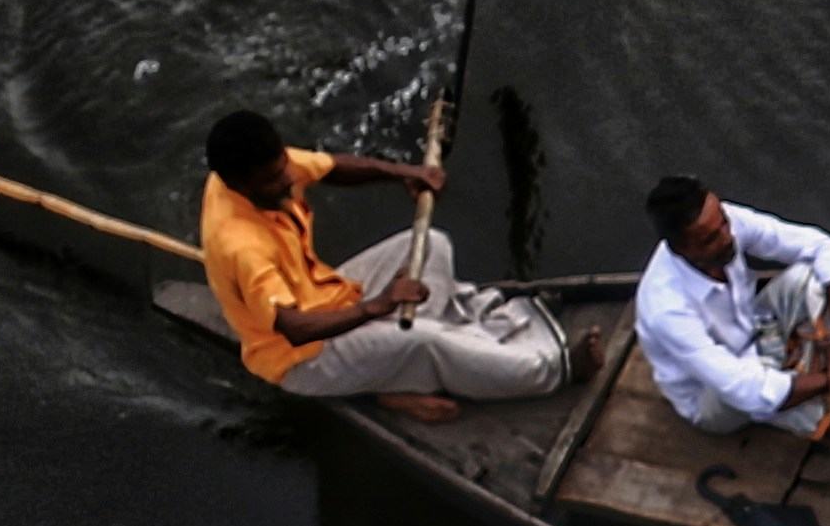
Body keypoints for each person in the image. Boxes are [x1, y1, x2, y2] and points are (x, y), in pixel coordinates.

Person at [197, 109, 566, 423]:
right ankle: (550, 369)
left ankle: (397, 376)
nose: (289, 182)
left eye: (283, 170)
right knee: (425, 341)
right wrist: (378, 305)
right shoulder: (242, 246)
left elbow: (330, 168)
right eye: (273, 181)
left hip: (327, 293)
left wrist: (402, 172)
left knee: (431, 244)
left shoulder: (261, 167)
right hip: (303, 357)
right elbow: (295, 329)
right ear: (239, 185)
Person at [638, 173, 830, 436]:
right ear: (681, 251)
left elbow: (826, 249)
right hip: (714, 395)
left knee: (813, 277)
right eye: (711, 239)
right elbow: (747, 391)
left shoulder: (721, 222)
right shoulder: (667, 309)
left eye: (724, 224)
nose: (728, 237)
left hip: (756, 328)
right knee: (765, 396)